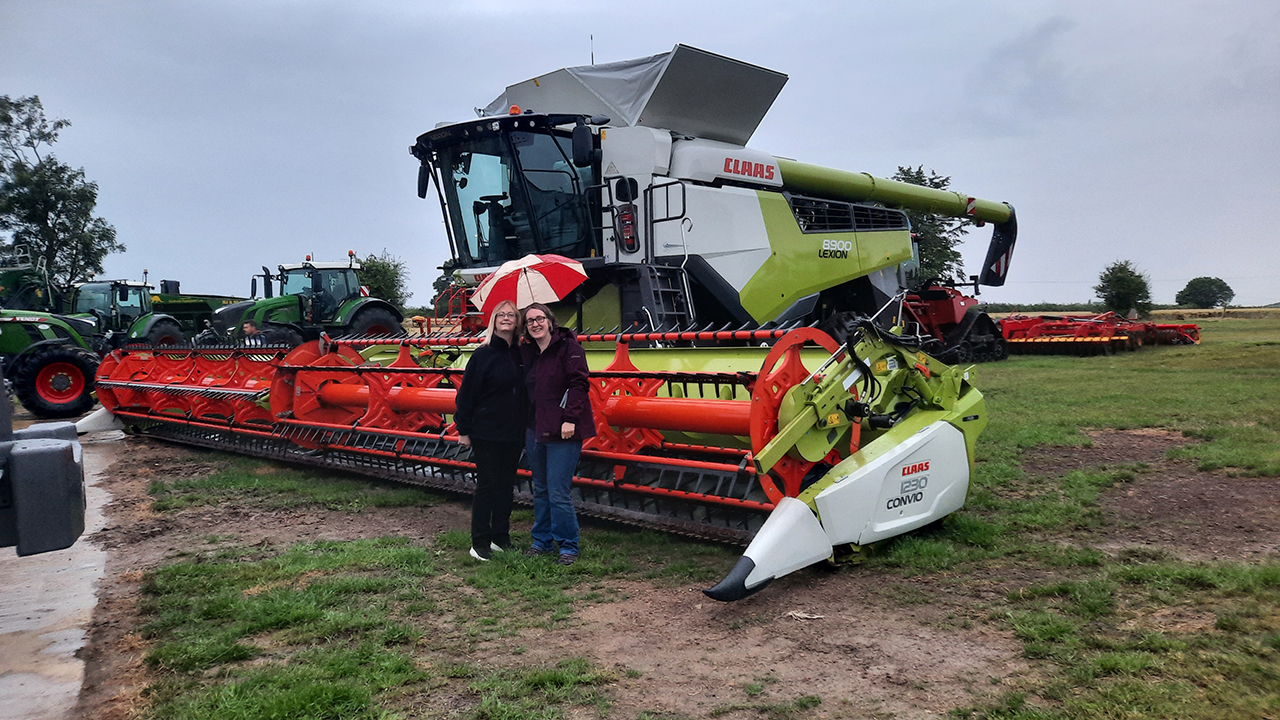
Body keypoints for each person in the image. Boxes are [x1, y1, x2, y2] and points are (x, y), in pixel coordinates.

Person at [519, 303, 595, 566]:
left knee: (558, 490)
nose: (535, 324)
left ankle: (568, 546)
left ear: (550, 321)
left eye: (540, 318)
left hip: (564, 429)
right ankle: (541, 541)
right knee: (540, 488)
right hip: (535, 428)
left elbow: (579, 383)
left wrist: (570, 419)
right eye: (529, 321)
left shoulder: (569, 348)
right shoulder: (527, 353)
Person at [453, 300, 525, 562]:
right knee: (487, 485)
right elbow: (466, 395)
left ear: (517, 321)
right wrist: (464, 429)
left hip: (513, 431)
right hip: (486, 431)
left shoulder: (520, 354)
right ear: (494, 320)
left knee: (506, 486)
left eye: (512, 315)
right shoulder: (482, 355)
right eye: (501, 314)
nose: (506, 318)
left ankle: (500, 537)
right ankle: (479, 542)